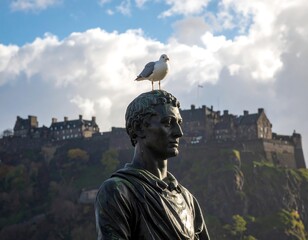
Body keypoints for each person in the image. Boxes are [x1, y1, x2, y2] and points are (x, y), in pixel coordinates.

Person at [95, 90, 210, 240]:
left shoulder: (188, 200)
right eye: (168, 123)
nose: (179, 132)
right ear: (138, 128)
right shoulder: (118, 191)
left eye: (179, 123)